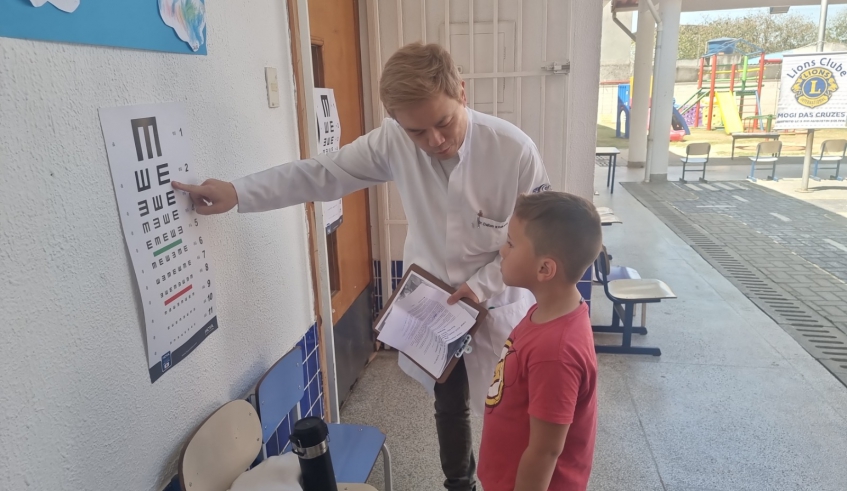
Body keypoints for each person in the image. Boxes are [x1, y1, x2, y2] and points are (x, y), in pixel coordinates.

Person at [172, 42, 549, 491]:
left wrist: (483, 284)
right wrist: (239, 192)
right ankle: (458, 484)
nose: (434, 141)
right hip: (434, 306)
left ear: (462, 93)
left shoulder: (513, 150)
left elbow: (539, 233)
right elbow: (321, 173)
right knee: (447, 402)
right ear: (395, 121)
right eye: (416, 132)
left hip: (497, 303)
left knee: (505, 408)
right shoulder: (393, 141)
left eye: (443, 123)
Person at [478, 191, 601, 491]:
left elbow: (545, 451)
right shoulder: (544, 311)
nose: (502, 251)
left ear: (545, 269)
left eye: (510, 243)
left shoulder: (556, 352)